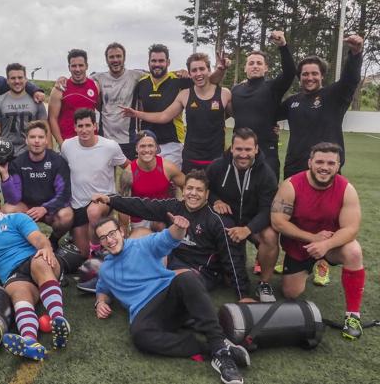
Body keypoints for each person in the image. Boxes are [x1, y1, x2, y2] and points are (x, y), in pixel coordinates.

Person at [93, 216, 250, 384]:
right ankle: (210, 348)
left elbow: (168, 238)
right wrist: (100, 302)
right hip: (145, 312)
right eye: (103, 237)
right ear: (100, 242)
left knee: (187, 278)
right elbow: (102, 289)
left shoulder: (142, 244)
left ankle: (220, 350)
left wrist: (179, 228)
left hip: (168, 296)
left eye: (112, 233)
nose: (109, 240)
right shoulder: (105, 270)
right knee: (139, 336)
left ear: (121, 231)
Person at [92, 170, 250, 300]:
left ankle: (126, 285)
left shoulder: (217, 221)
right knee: (140, 232)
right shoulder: (174, 206)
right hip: (171, 261)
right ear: (183, 189)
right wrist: (110, 200)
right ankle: (114, 279)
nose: (193, 193)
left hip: (198, 272)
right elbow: (141, 206)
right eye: (189, 188)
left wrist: (243, 295)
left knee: (166, 282)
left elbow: (232, 257)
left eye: (199, 190)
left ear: (207, 194)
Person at [271, 142, 365, 340]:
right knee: (291, 294)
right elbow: (278, 222)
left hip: (330, 244)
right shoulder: (291, 185)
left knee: (354, 251)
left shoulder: (346, 189)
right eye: (319, 161)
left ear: (338, 165)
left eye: (331, 163)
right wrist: (313, 238)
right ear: (310, 163)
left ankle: (353, 315)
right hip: (300, 245)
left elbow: (351, 228)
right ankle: (307, 267)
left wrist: (325, 245)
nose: (325, 167)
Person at [0, 191, 71, 361]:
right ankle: (30, 342)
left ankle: (58, 320)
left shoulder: (16, 219)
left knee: (39, 261)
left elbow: (38, 239)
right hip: (12, 275)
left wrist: (45, 248)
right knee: (18, 293)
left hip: (35, 262)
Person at [124, 53, 232, 173]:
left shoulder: (224, 94)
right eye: (194, 70)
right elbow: (163, 116)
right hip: (191, 158)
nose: (198, 73)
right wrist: (137, 113)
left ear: (209, 70)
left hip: (216, 158)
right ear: (189, 74)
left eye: (202, 69)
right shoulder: (185, 95)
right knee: (191, 191)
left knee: (214, 192)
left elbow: (241, 116)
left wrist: (221, 70)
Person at [206, 128, 279, 302]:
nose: (243, 154)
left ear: (256, 149)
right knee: (226, 281)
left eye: (248, 149)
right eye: (239, 149)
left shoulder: (266, 174)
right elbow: (205, 190)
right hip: (228, 222)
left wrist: (248, 229)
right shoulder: (217, 166)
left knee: (270, 236)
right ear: (231, 148)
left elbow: (267, 209)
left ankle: (264, 284)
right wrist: (216, 201)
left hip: (253, 222)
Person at [279, 35, 363, 179]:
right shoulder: (292, 101)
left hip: (326, 169)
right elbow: (267, 114)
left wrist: (355, 54)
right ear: (300, 77)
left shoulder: (334, 96)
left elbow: (350, 79)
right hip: (294, 169)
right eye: (305, 74)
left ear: (322, 75)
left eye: (314, 73)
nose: (309, 77)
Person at [61, 108, 130, 257]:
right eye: (80, 126)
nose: (84, 130)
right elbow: (63, 170)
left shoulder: (110, 146)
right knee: (82, 255)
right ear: (74, 127)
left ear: (95, 126)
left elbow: (129, 167)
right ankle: (89, 251)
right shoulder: (67, 146)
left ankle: (98, 251)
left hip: (103, 200)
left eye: (88, 125)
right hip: (78, 203)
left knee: (93, 212)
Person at [0, 120, 73, 250]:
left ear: (46, 140)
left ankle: (53, 240)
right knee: (6, 210)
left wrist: (45, 208)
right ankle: (21, 242)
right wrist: (5, 176)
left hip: (50, 209)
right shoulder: (17, 162)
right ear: (26, 140)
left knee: (66, 215)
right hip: (27, 207)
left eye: (40, 137)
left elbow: (64, 194)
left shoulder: (58, 161)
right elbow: (13, 199)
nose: (36, 141)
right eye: (32, 137)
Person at [231, 30, 295, 179]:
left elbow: (290, 72)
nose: (255, 66)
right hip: (241, 152)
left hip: (267, 152)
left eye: (259, 63)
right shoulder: (236, 90)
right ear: (245, 68)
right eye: (251, 63)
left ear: (266, 68)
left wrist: (283, 46)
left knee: (267, 195)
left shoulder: (272, 87)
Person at [118, 130, 185, 237]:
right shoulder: (128, 173)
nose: (147, 150)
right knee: (138, 245)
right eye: (142, 146)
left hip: (162, 216)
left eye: (150, 146)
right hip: (140, 218)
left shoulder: (168, 168)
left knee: (162, 230)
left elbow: (186, 186)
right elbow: (123, 206)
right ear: (136, 148)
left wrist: (182, 210)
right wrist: (124, 233)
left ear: (156, 148)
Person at [0, 63, 48, 156]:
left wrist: (50, 153)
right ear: (7, 81)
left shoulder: (36, 100)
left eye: (20, 77)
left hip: (31, 153)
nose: (17, 81)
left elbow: (45, 128)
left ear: (26, 79)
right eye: (13, 78)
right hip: (6, 152)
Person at [49, 49, 99, 147]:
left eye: (80, 65)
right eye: (73, 66)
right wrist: (61, 143)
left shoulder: (95, 86)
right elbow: (52, 118)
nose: (77, 69)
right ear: (69, 67)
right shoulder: (60, 88)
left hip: (91, 143)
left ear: (86, 66)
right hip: (68, 143)